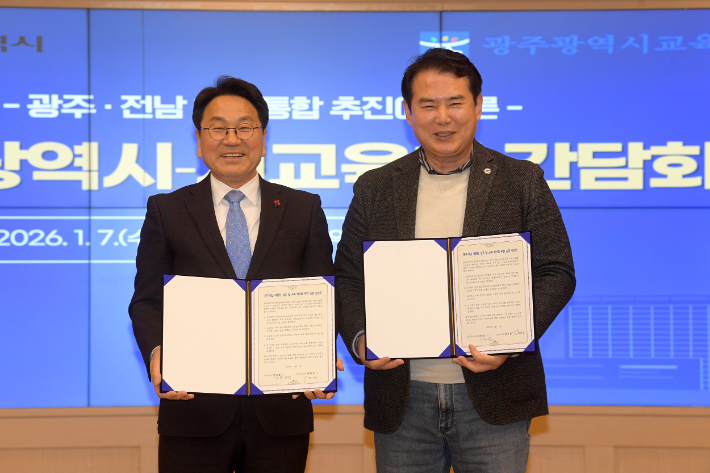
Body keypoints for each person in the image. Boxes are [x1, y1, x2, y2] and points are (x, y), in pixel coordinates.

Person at [335, 48, 575, 473]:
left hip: (495, 393)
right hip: (402, 397)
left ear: (478, 105)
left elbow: (556, 271)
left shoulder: (521, 180)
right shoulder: (375, 187)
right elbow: (349, 277)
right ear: (408, 112)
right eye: (428, 105)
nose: (442, 118)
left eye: (455, 103)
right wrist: (360, 339)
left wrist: (509, 343)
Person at [129, 76, 341, 473]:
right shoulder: (167, 210)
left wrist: (317, 357)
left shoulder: (303, 208)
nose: (232, 139)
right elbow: (146, 300)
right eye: (218, 128)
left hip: (281, 410)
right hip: (193, 409)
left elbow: (323, 296)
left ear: (263, 137)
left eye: (245, 127)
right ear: (199, 139)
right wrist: (158, 353)